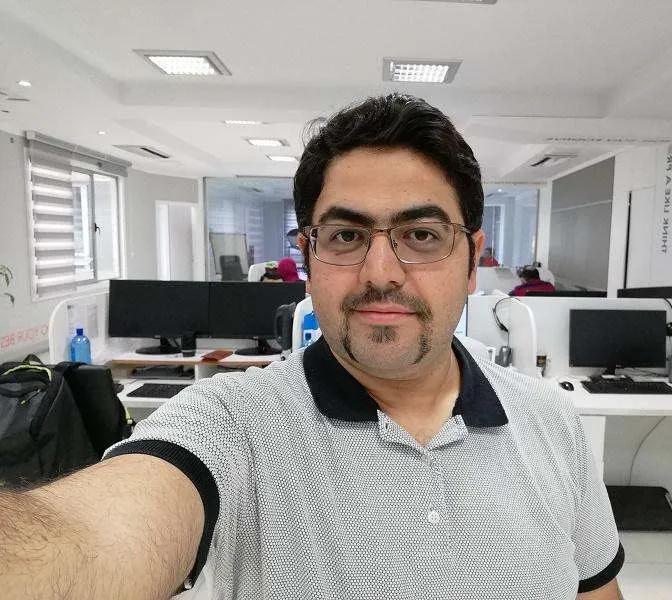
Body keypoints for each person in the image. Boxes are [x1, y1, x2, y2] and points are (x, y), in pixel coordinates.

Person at [0, 94, 623, 600]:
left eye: (422, 235)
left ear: (471, 260)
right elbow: (93, 539)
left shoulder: (552, 423)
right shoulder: (230, 425)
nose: (382, 272)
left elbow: (596, 590)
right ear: (307, 256)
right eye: (347, 234)